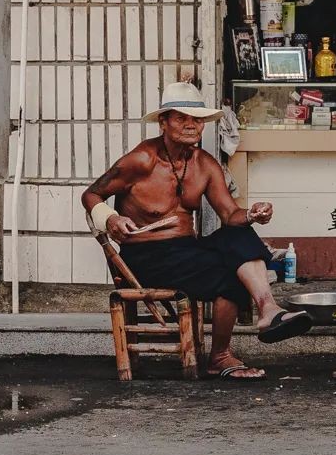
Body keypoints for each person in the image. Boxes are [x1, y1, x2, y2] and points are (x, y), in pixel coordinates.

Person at [81, 81, 309, 381]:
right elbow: (90, 195)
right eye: (182, 118)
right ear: (164, 122)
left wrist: (253, 214)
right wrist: (110, 219)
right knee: (232, 275)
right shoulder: (142, 160)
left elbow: (229, 215)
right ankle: (220, 357)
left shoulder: (204, 165)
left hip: (187, 250)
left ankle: (268, 309)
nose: (191, 126)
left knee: (238, 236)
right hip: (147, 256)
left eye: (197, 120)